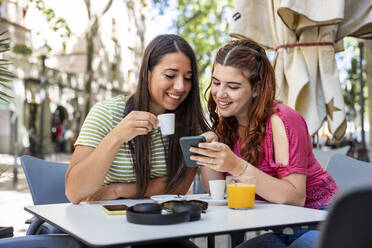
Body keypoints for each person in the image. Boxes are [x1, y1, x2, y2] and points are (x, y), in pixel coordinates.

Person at [191, 39, 339, 248]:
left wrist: (236, 166)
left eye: (232, 86)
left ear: (256, 89)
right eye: (216, 82)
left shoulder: (281, 120)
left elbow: (295, 197)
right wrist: (209, 155)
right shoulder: (228, 124)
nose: (220, 94)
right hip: (281, 226)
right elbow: (215, 190)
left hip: (321, 220)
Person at [65, 34, 209, 205]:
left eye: (187, 78)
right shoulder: (107, 113)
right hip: (105, 222)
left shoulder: (190, 122)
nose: (180, 86)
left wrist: (118, 190)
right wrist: (117, 136)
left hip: (163, 223)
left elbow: (178, 185)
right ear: (146, 74)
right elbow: (74, 192)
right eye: (170, 76)